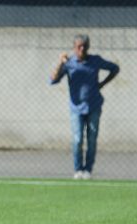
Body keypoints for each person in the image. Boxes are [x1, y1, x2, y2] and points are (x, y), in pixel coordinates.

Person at [49, 34, 119, 180]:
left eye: (84, 46)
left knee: (92, 139)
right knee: (77, 139)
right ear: (74, 48)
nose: (82, 49)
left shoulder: (95, 60)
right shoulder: (69, 63)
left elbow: (115, 68)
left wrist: (102, 83)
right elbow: (53, 80)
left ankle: (88, 170)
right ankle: (78, 169)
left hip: (94, 105)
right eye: (79, 46)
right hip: (76, 108)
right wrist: (60, 63)